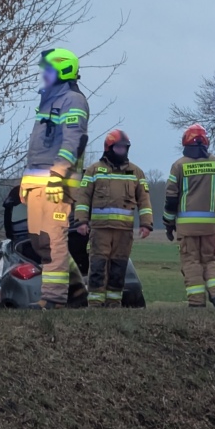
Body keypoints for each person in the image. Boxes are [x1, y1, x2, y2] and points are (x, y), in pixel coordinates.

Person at [21, 48, 90, 309]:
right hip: (40, 182)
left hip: (57, 184)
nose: (43, 75)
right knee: (40, 240)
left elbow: (73, 141)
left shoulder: (72, 100)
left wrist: (58, 174)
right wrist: (27, 181)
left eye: (47, 70)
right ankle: (76, 291)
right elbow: (40, 148)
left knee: (52, 239)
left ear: (62, 70)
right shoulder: (49, 100)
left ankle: (53, 299)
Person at [74, 129, 153, 307]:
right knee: (97, 267)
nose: (122, 151)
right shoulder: (94, 170)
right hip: (100, 230)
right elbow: (83, 197)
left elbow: (144, 201)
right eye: (118, 148)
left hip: (124, 232)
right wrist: (81, 221)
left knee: (119, 268)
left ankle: (113, 305)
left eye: (124, 148)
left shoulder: (136, 172)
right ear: (109, 148)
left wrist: (146, 224)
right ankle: (95, 305)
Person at [164, 123, 215, 307]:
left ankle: (196, 302)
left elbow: (171, 198)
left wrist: (168, 223)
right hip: (211, 226)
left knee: (191, 262)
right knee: (211, 261)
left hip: (187, 228)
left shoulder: (179, 166)